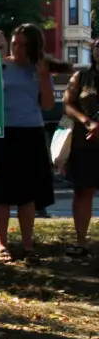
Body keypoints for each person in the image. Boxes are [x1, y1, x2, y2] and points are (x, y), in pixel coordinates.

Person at [0, 24, 55, 263]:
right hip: (3, 132)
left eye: (23, 45)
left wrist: (42, 76)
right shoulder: (2, 64)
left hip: (31, 133)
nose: (17, 48)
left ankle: (28, 246)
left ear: (34, 46)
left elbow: (48, 105)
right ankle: (2, 245)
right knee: (2, 194)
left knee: (27, 196)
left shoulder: (39, 69)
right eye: (15, 43)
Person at [63, 37, 99, 255]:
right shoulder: (82, 76)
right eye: (97, 47)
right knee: (83, 192)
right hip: (84, 145)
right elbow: (68, 104)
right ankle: (81, 241)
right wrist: (88, 122)